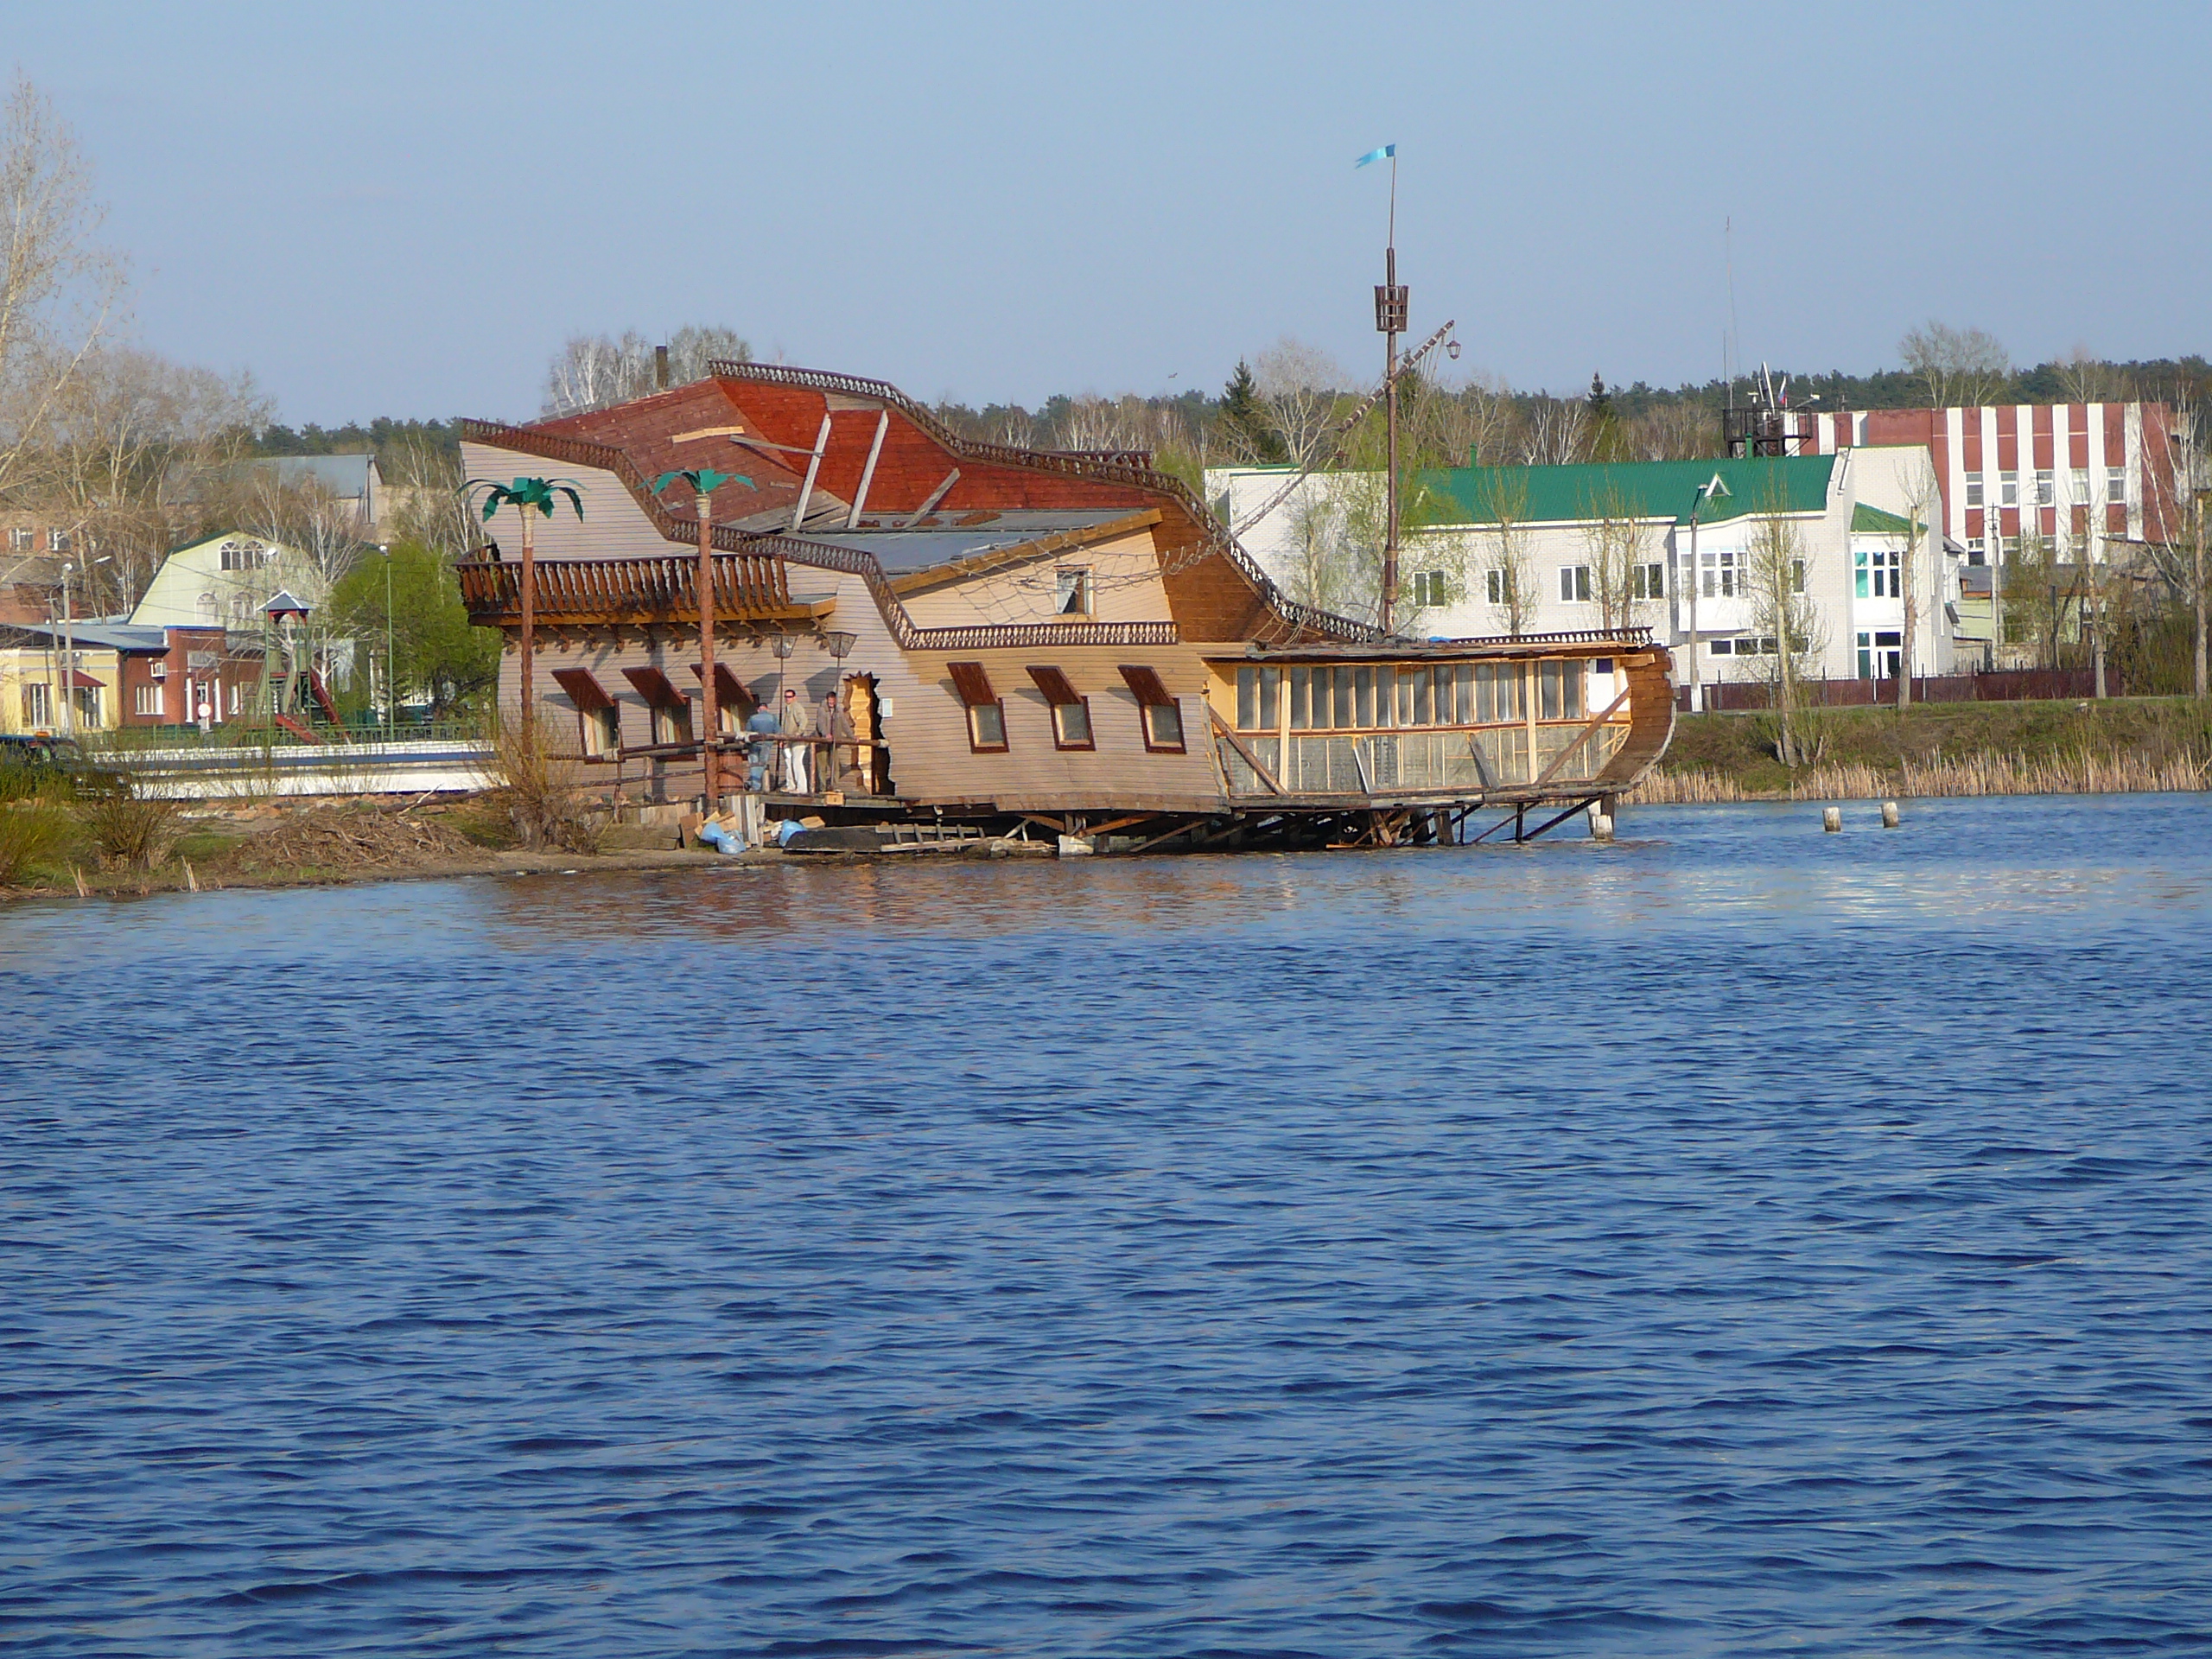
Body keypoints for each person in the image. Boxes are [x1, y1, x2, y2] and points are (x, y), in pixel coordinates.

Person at [778, 685, 811, 794]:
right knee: (788, 763)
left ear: (794, 697)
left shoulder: (797, 707)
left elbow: (804, 721)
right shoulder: (787, 710)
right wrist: (782, 739)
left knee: (797, 763)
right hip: (788, 742)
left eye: (790, 697)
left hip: (798, 742)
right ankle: (791, 785)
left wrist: (798, 733)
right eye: (786, 697)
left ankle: (802, 788)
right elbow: (786, 727)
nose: (788, 699)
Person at [744, 688, 779, 791]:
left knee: (754, 764)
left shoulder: (753, 718)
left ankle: (753, 783)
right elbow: (778, 731)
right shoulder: (773, 718)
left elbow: (748, 731)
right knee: (762, 764)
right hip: (767, 744)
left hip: (754, 744)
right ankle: (754, 785)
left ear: (758, 710)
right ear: (767, 709)